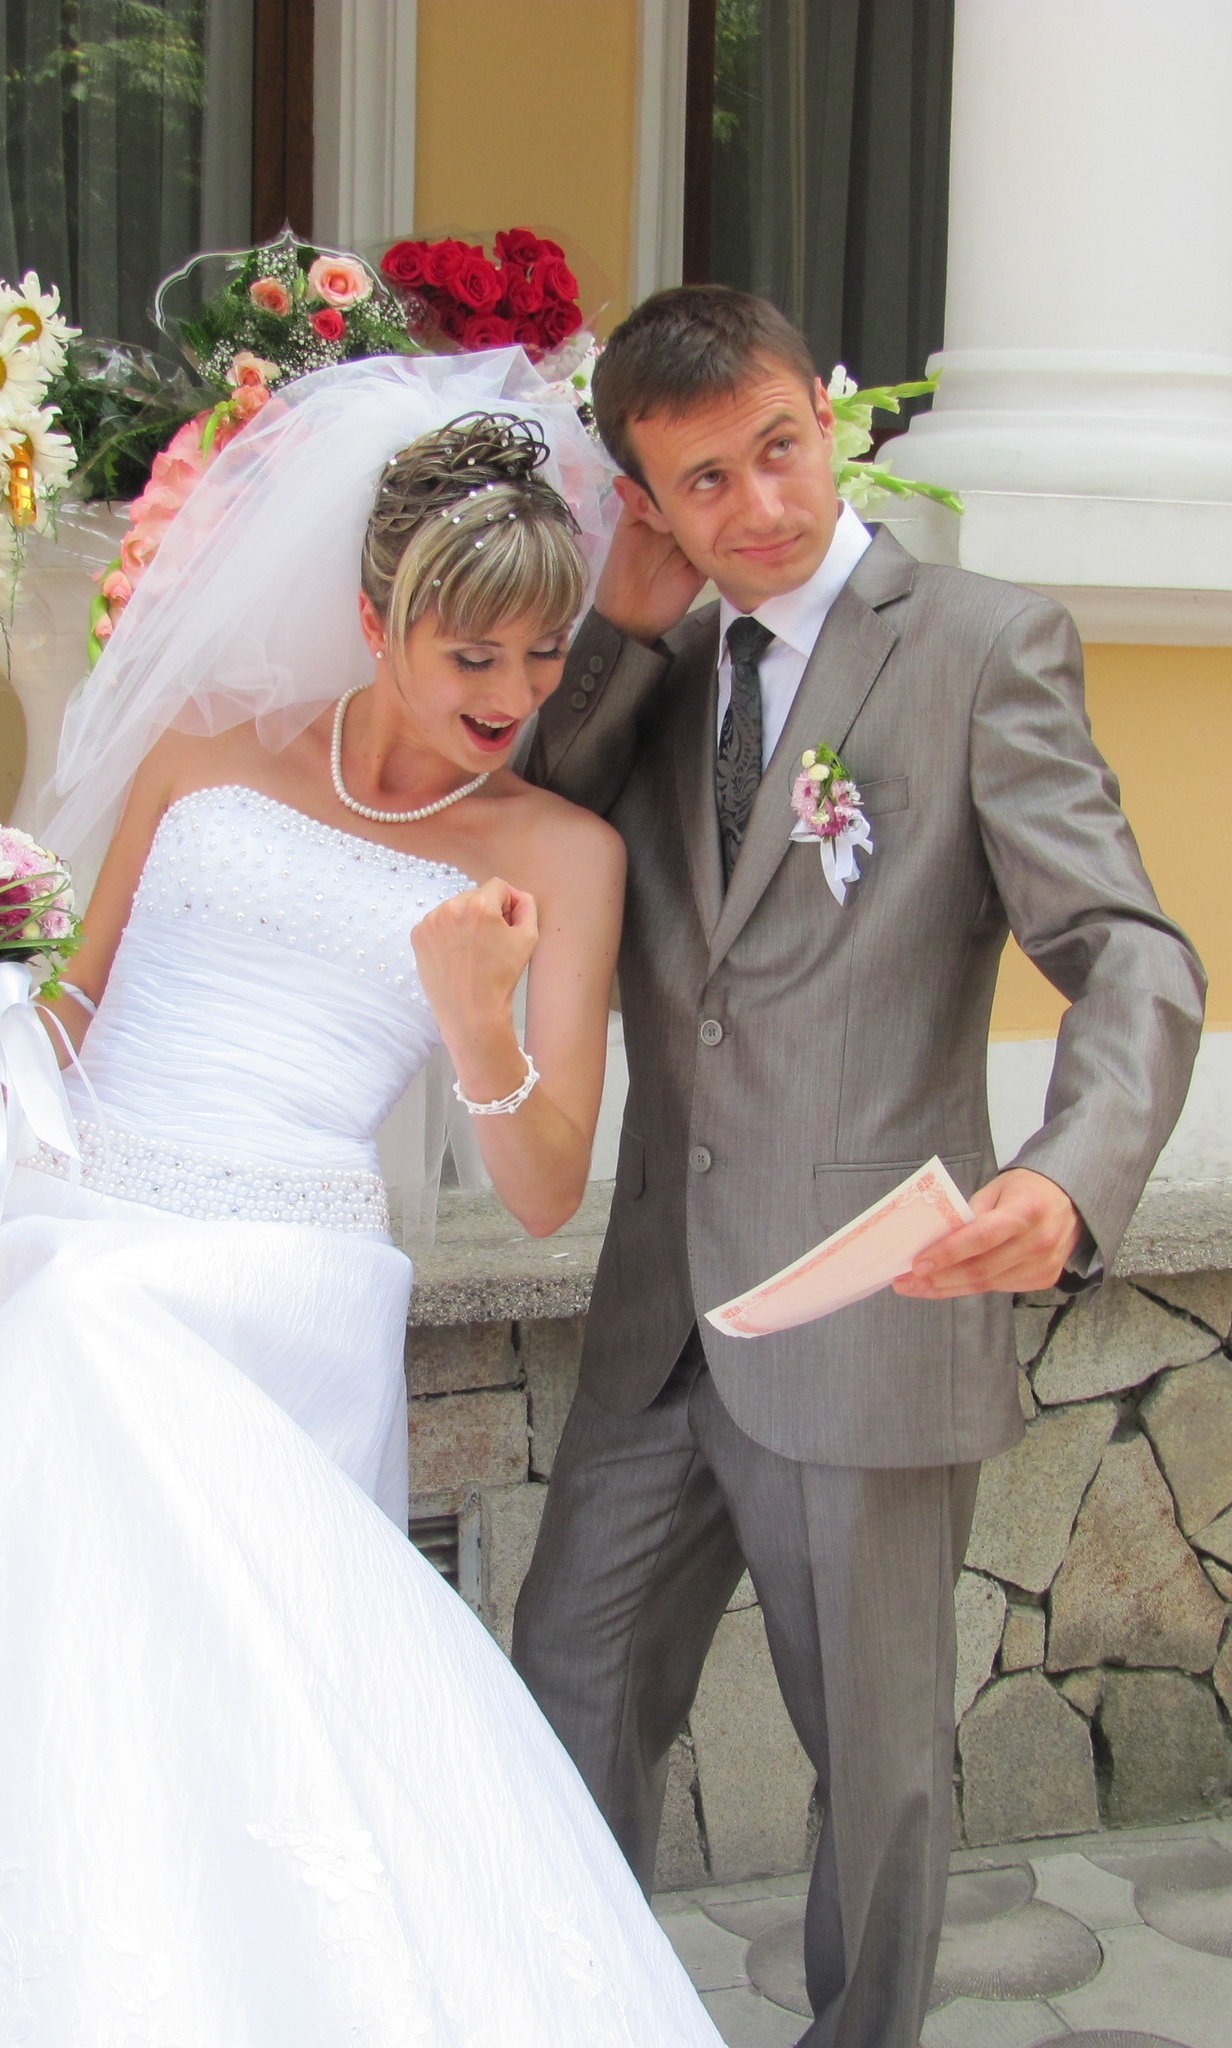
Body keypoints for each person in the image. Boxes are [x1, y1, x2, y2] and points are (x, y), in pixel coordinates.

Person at [0, 352, 724, 2045]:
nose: (513, 692)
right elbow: (76, 1010)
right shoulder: (201, 748)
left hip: (284, 1263)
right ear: (373, 619)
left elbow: (542, 1194)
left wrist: (477, 1033)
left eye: (541, 653)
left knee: (82, 1338)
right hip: (92, 1211)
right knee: (72, 1436)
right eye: (470, 653)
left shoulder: (555, 854)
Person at [512, 286, 1206, 2048]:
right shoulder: (658, 670)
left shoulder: (980, 644)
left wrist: (1070, 1175)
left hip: (867, 1305)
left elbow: (1129, 950)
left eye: (778, 450)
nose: (758, 505)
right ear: (645, 503)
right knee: (564, 1686)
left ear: (827, 421)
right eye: (702, 481)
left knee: (875, 1767)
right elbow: (529, 817)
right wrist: (617, 626)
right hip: (658, 1320)